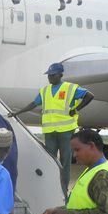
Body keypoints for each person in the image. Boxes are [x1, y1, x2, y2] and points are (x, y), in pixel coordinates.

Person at [9, 62, 94, 196]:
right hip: (50, 132)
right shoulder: (45, 90)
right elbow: (33, 103)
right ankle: (50, 187)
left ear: (60, 75)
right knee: (49, 160)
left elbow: (89, 96)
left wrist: (76, 109)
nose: (50, 78)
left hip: (66, 131)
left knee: (65, 160)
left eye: (52, 75)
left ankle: (63, 190)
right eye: (48, 75)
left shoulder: (70, 88)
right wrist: (18, 112)